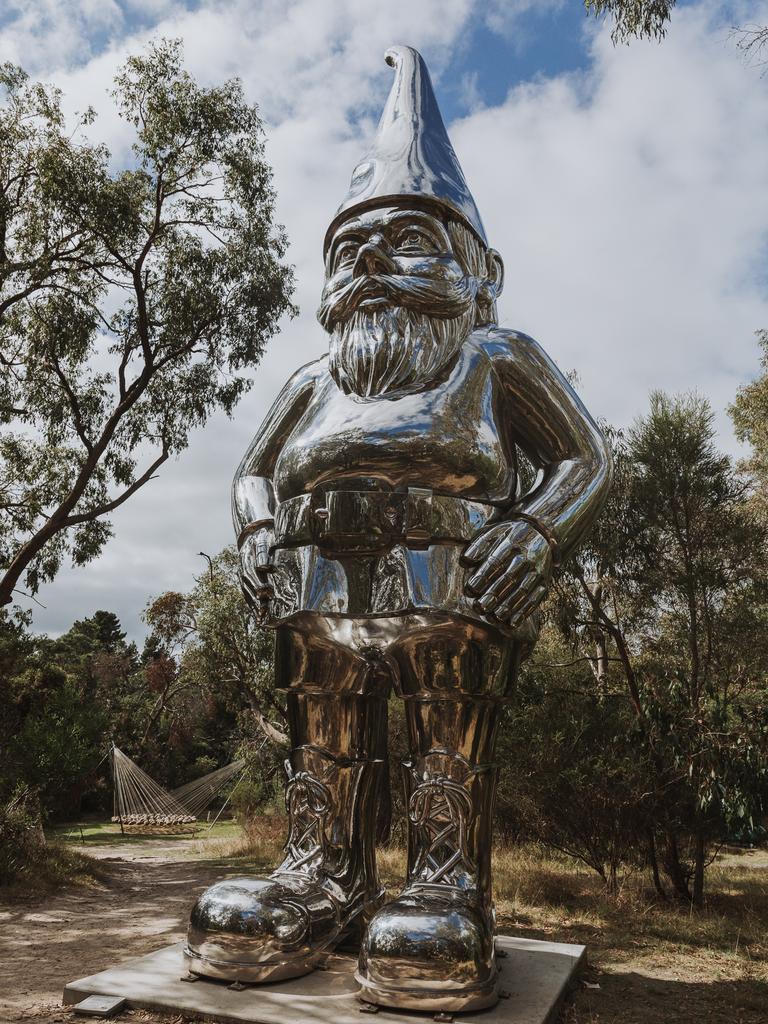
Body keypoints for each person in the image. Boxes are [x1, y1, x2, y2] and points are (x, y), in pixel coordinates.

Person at [186, 45, 612, 1014]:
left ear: (479, 269)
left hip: (447, 601)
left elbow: (589, 458)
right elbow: (253, 469)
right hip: (317, 612)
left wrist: (539, 532)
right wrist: (258, 530)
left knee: (441, 748)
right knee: (323, 752)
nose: (372, 264)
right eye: (351, 250)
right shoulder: (309, 382)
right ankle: (321, 873)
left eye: (407, 239)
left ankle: (447, 878)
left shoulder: (495, 358)